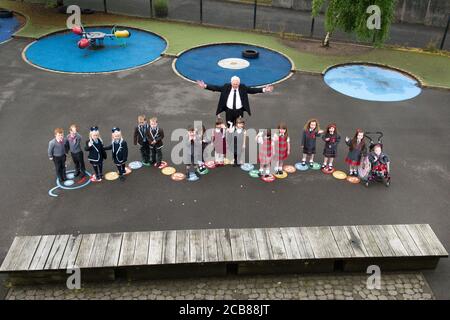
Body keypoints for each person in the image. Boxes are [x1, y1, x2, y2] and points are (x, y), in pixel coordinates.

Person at [196, 76, 273, 126]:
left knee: (239, 126)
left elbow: (252, 90)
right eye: (234, 84)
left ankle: (238, 141)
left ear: (239, 83)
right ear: (231, 83)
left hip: (239, 111)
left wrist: (264, 89)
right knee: (229, 126)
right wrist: (205, 86)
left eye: (237, 84)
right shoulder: (226, 86)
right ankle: (230, 140)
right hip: (229, 111)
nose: (235, 85)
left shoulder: (243, 87)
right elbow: (216, 88)